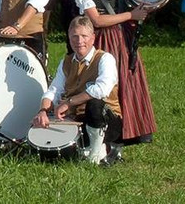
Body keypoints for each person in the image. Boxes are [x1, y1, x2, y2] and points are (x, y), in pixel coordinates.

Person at [74, 0, 156, 149]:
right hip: (102, 41)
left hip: (124, 40)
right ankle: (107, 128)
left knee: (128, 80)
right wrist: (130, 15)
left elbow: (141, 9)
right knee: (105, 83)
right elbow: (97, 21)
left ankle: (134, 130)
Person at [31, 16, 123, 165]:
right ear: (69, 38)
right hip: (77, 119)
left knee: (95, 104)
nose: (79, 41)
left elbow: (101, 89)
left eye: (84, 36)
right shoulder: (66, 61)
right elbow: (54, 89)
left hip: (107, 119)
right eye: (74, 36)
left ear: (93, 38)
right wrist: (42, 111)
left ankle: (96, 152)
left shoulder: (105, 59)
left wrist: (69, 103)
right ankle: (90, 149)